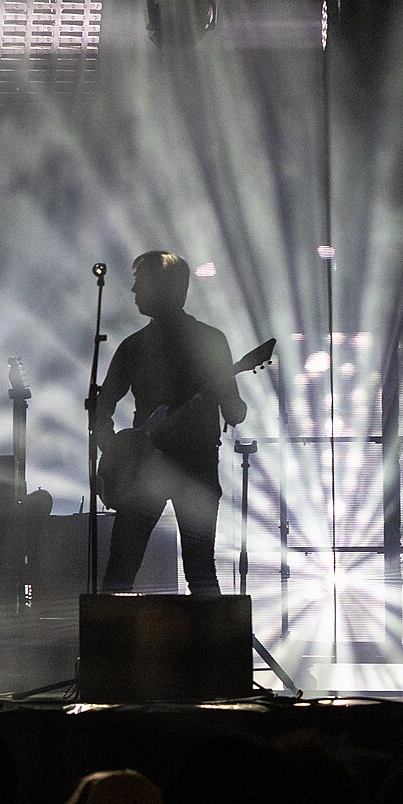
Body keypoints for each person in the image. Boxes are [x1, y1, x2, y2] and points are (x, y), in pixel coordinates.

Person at [95, 251, 246, 594]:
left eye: (141, 282)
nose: (133, 290)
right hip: (189, 467)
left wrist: (112, 444)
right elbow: (233, 410)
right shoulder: (209, 340)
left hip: (161, 469)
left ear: (164, 288)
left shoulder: (134, 346)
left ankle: (110, 642)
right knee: (200, 572)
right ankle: (210, 645)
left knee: (121, 571)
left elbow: (102, 407)